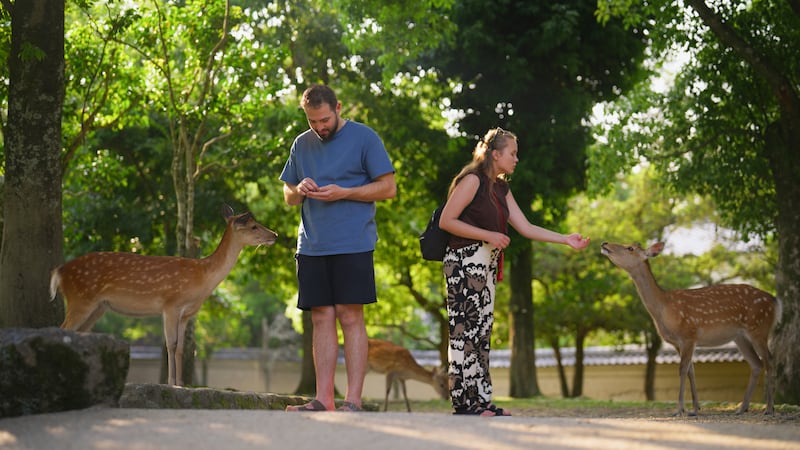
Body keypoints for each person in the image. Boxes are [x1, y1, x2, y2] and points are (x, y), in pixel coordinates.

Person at [439, 127, 590, 417]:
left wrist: (565, 239)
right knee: (464, 333)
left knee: (482, 333)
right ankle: (465, 403)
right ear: (495, 155)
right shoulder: (473, 181)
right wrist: (488, 235)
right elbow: (447, 220)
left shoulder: (501, 188)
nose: (516, 159)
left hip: (485, 264)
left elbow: (526, 227)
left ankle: (482, 401)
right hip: (463, 262)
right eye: (513, 153)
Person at [280, 84, 396, 412]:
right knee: (321, 317)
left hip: (353, 242)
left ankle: (353, 401)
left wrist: (344, 192)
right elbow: (288, 195)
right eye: (313, 121)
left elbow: (388, 188)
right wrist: (298, 188)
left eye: (325, 119)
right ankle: (323, 399)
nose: (319, 127)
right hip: (312, 244)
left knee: (350, 315)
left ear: (339, 108)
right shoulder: (301, 144)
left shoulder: (365, 138)